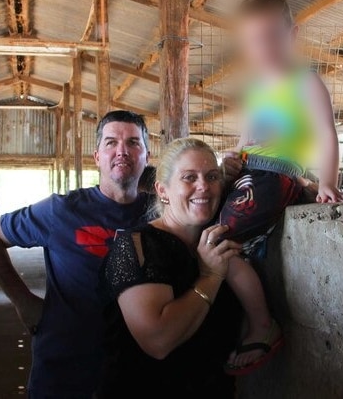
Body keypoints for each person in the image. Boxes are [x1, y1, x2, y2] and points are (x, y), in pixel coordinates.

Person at [0, 110, 151, 399]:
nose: (122, 151)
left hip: (139, 368)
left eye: (133, 143)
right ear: (96, 157)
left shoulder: (162, 213)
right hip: (65, 369)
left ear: (146, 155)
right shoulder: (62, 210)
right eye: (111, 143)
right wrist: (23, 301)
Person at [220, 0, 343, 374]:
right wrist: (231, 162)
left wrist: (326, 181)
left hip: (278, 174)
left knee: (219, 242)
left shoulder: (306, 84)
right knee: (209, 232)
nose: (265, 47)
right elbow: (246, 142)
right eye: (255, 40)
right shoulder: (256, 91)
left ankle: (263, 323)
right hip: (251, 172)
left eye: (272, 36)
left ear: (291, 36)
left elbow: (327, 135)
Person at [98, 138, 243, 399]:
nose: (203, 186)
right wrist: (210, 276)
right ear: (163, 191)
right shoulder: (137, 245)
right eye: (189, 177)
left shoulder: (217, 244)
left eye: (212, 177)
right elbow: (157, 341)